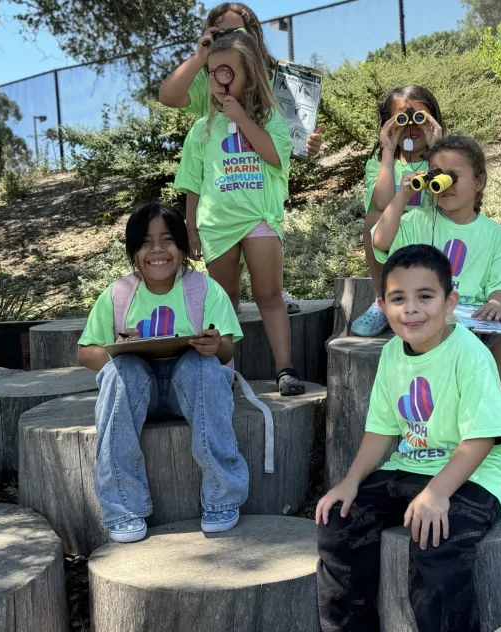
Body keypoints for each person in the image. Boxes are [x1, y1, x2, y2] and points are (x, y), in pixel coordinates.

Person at [317, 244, 501, 632]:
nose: (410, 309)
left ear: (450, 303)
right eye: (398, 298)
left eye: (425, 296)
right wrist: (350, 481)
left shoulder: (470, 354)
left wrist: (439, 492)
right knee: (340, 522)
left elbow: (481, 440)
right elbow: (381, 429)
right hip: (411, 466)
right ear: (382, 305)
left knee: (436, 542)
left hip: (478, 474)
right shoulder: (393, 353)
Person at [77, 202, 247, 543]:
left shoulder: (205, 289)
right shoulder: (118, 294)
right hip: (141, 393)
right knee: (119, 371)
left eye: (167, 240)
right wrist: (116, 346)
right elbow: (85, 353)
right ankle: (122, 506)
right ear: (133, 252)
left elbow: (227, 349)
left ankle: (222, 496)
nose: (157, 250)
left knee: (204, 366)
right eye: (145, 242)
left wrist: (214, 345)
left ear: (183, 247)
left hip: (191, 388)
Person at [159, 2, 324, 314]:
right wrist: (200, 56)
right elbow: (168, 96)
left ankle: (274, 292)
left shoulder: (280, 75)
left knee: (264, 243)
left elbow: (296, 133)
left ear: (254, 34)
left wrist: (310, 144)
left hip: (264, 177)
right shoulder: (209, 76)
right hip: (223, 182)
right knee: (226, 277)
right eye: (218, 32)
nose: (225, 37)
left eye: (234, 31)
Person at [173, 32, 306, 396]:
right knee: (224, 300)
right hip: (217, 225)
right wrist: (191, 226)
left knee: (269, 295)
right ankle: (225, 372)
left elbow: (275, 156)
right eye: (213, 72)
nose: (219, 80)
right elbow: (192, 182)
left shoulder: (273, 120)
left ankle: (285, 370)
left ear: (249, 73)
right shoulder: (201, 129)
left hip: (258, 219)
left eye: (228, 71)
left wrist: (243, 119)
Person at [372, 134, 501, 412]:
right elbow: (380, 242)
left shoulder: (492, 232)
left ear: (479, 182)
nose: (446, 184)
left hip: (473, 318)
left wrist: (495, 303)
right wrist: (403, 195)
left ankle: (498, 426)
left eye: (454, 176)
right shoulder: (418, 221)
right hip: (431, 315)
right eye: (438, 175)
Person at [350, 85, 444, 337]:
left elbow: (447, 199)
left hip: (433, 234)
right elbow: (381, 203)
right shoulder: (379, 162)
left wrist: (438, 149)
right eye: (402, 119)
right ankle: (383, 299)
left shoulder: (446, 157)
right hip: (395, 238)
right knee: (373, 218)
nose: (412, 127)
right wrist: (389, 151)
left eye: (420, 118)